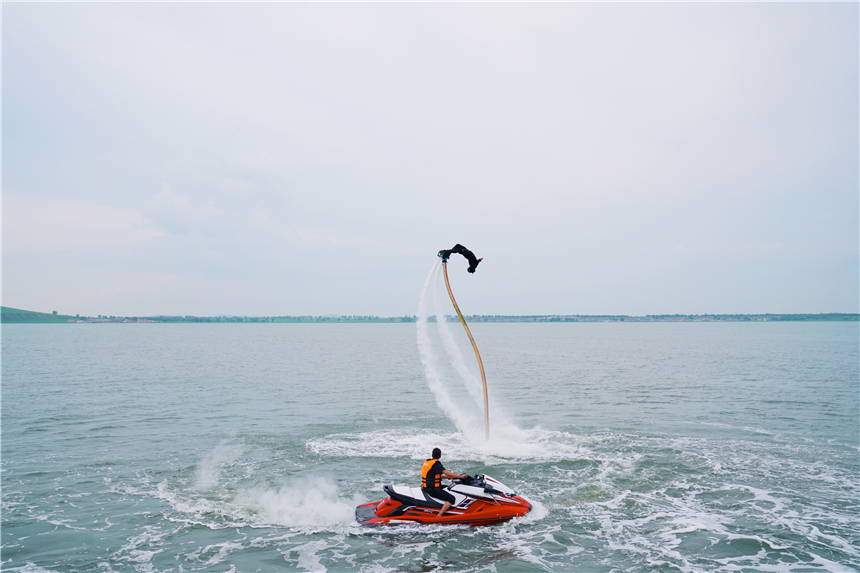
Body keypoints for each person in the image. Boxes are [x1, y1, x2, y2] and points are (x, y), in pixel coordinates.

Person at [421, 447, 466, 517]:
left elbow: (434, 476)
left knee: (449, 488)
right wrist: (460, 477)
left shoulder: (428, 462)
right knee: (452, 498)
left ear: (432, 455)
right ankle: (439, 516)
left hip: (427, 487)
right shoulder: (436, 464)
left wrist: (448, 477)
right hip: (433, 490)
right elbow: (447, 473)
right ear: (440, 456)